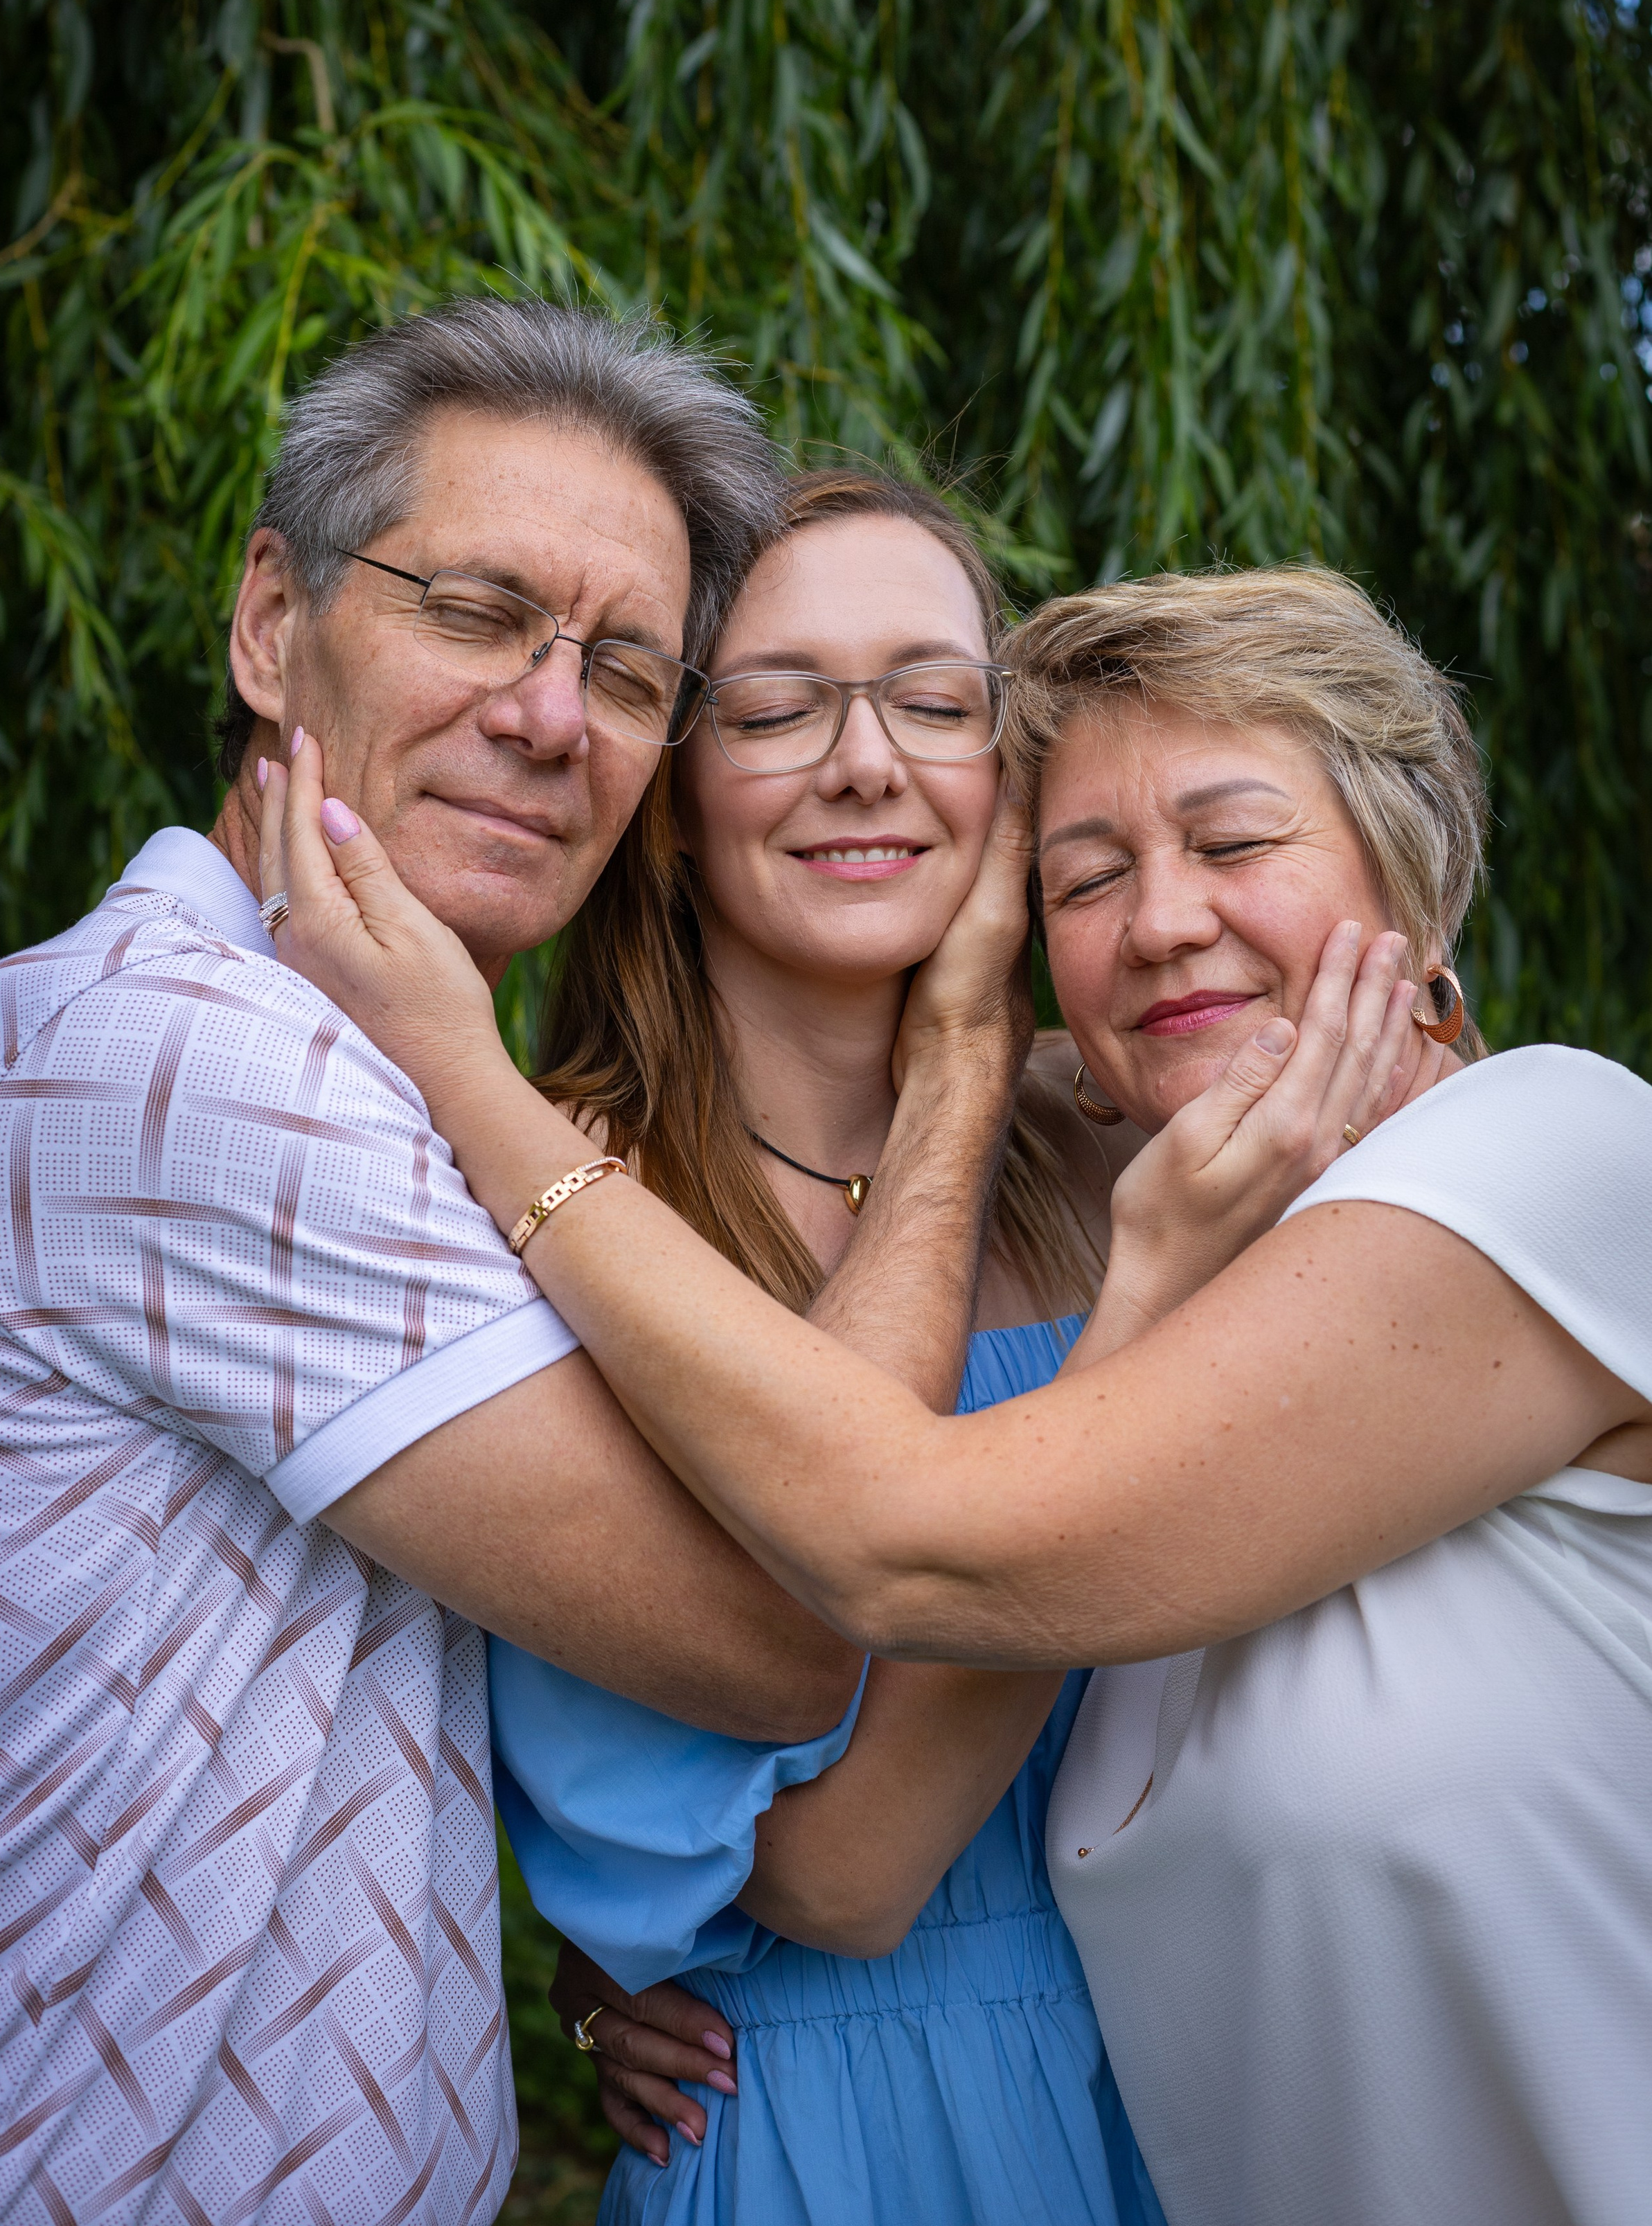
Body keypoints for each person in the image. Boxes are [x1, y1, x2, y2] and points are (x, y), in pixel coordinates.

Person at [255, 560, 1652, 2226]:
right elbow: (823, 1851)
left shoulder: (1531, 1156)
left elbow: (915, 1541)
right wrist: (610, 1959)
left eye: (1231, 842)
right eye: (1085, 874)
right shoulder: (1185, 1183)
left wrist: (457, 1065)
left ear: (1413, 879)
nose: (1160, 921)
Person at [0, 302, 1026, 2226]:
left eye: (627, 668)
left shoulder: (375, 1093)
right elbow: (781, 1636)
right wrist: (966, 1060)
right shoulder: (184, 1069)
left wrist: (593, 1954)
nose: (550, 718)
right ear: (271, 624)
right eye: (479, 613)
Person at [487, 470, 1158, 2223]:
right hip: (837, 2115)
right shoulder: (560, 1202)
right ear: (668, 796)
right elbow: (823, 1877)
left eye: (933, 703)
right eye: (776, 709)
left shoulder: (1127, 1136)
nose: (864, 764)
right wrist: (958, 1067)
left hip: (1195, 2058)